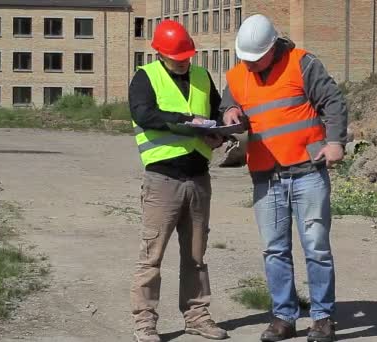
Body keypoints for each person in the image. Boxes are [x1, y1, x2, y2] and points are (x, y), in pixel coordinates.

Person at [221, 14, 348, 342]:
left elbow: (332, 101)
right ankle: (283, 317)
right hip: (266, 176)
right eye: (244, 59)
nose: (249, 65)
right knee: (274, 250)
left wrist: (335, 141)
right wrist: (228, 112)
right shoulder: (238, 75)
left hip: (307, 171)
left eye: (256, 59)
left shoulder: (301, 63)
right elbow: (227, 103)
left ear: (273, 48)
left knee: (316, 247)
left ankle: (322, 318)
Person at [128, 20, 228, 342]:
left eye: (187, 55)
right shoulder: (146, 77)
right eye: (177, 56)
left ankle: (196, 316)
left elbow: (215, 110)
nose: (184, 61)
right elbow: (144, 114)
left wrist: (217, 133)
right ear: (160, 53)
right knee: (151, 257)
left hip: (198, 179)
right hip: (162, 180)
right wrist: (187, 122)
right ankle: (145, 323)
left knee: (196, 256)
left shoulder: (201, 76)